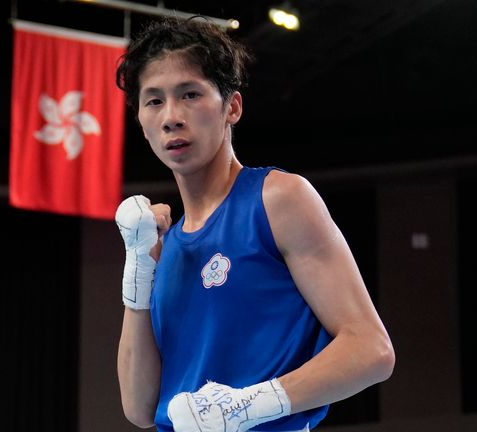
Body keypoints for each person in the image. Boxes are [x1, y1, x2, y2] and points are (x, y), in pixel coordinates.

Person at [113, 16, 394, 432]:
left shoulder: (278, 199)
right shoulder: (161, 245)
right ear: (141, 120)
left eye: (189, 94)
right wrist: (138, 267)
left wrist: (247, 405)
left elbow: (371, 350)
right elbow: (139, 408)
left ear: (233, 107)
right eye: (154, 101)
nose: (171, 117)